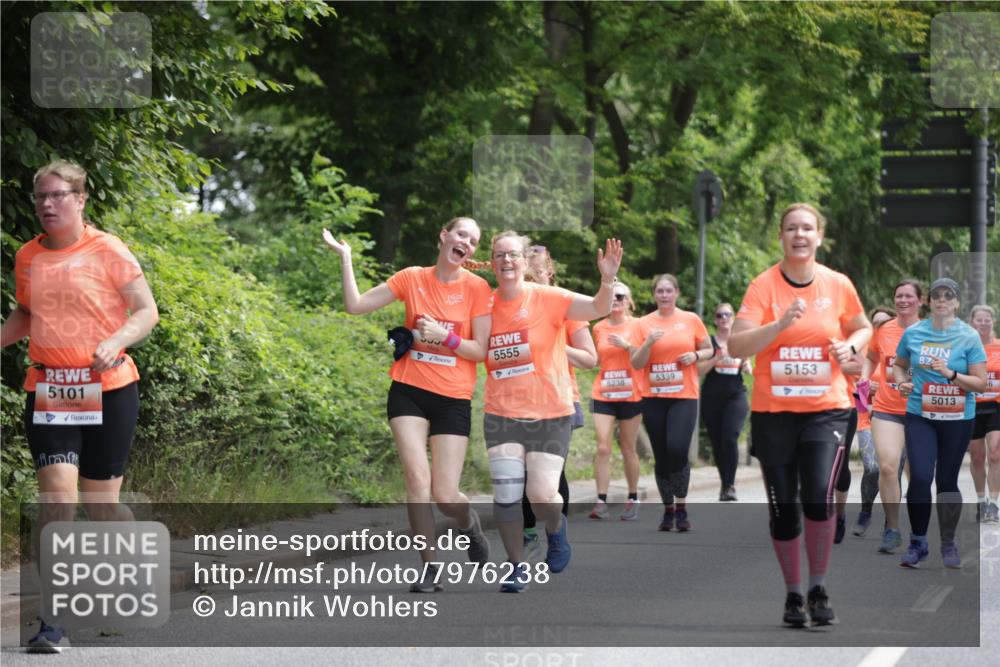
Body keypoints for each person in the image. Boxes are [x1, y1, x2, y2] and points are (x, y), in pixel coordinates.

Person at [1, 160, 159, 653]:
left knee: (102, 506)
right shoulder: (28, 257)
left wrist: (117, 339)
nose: (48, 205)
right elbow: (26, 312)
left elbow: (146, 311)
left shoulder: (107, 249)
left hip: (109, 387)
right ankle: (54, 621)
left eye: (58, 196)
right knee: (57, 500)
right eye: (41, 198)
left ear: (80, 199)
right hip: (51, 387)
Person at [322, 217, 492, 593]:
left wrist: (445, 337)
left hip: (453, 398)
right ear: (443, 235)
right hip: (408, 389)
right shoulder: (412, 277)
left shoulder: (478, 288)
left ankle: (469, 524)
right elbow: (355, 305)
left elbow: (480, 351)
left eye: (475, 240)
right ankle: (430, 568)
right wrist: (346, 258)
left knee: (446, 496)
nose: (467, 241)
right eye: (462, 233)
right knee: (417, 480)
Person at [729, 203, 871, 628]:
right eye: (791, 228)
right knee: (784, 510)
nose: (799, 235)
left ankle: (819, 586)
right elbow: (737, 346)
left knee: (818, 496)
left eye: (807, 228)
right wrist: (779, 325)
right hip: (774, 413)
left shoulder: (838, 284)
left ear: (819, 236)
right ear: (781, 237)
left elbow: (861, 326)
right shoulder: (763, 287)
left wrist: (852, 346)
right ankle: (793, 594)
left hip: (826, 411)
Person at [484, 232, 621, 592]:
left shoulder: (549, 297)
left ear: (525, 262)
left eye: (514, 255)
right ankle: (517, 567)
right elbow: (466, 342)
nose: (508, 261)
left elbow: (596, 308)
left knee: (542, 495)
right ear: (493, 262)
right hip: (501, 412)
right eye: (500, 255)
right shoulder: (482, 304)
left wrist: (607, 280)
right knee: (507, 493)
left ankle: (556, 528)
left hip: (550, 411)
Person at [893, 277, 987, 568]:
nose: (942, 300)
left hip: (958, 418)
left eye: (949, 296)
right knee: (920, 476)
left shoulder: (969, 336)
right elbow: (899, 365)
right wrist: (901, 383)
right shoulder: (914, 333)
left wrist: (950, 374)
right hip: (920, 414)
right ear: (929, 302)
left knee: (946, 481)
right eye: (937, 295)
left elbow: (981, 384)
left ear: (958, 303)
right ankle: (918, 542)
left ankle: (948, 543)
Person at [520, 246, 596, 555]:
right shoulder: (517, 305)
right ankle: (527, 533)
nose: (532, 280)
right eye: (527, 275)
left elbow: (590, 358)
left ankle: (556, 532)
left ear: (549, 272)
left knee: (552, 473)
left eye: (537, 273)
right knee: (524, 471)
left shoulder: (567, 306)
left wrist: (555, 347)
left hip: (559, 399)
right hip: (519, 399)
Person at [630, 274, 714, 531]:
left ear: (676, 292)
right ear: (655, 294)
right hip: (654, 397)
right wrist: (648, 343)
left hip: (683, 396)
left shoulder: (690, 319)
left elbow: (710, 349)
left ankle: (682, 506)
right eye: (660, 291)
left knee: (677, 449)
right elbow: (636, 363)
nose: (664, 295)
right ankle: (668, 511)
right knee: (662, 454)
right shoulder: (643, 324)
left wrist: (696, 355)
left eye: (669, 290)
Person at [862, 280, 922, 553]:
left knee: (921, 476)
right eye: (899, 296)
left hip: (922, 411)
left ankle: (918, 530)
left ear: (921, 301)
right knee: (887, 467)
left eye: (909, 296)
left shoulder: (933, 331)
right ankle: (893, 528)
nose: (903, 300)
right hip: (887, 409)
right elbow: (872, 357)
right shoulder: (884, 330)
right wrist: (863, 380)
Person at [590, 282, 643, 520]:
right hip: (604, 393)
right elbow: (596, 359)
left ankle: (632, 497)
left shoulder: (639, 325)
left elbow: (645, 358)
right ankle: (601, 501)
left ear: (629, 301)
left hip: (631, 393)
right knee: (603, 447)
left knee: (628, 448)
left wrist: (628, 346)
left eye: (620, 296)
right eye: (612, 296)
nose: (616, 300)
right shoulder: (599, 328)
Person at [851, 307, 898, 537]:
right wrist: (865, 392)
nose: (879, 326)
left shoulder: (900, 349)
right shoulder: (862, 351)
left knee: (893, 471)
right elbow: (855, 391)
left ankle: (890, 525)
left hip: (895, 418)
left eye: (884, 322)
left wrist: (883, 389)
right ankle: (865, 511)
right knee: (872, 467)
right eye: (875, 323)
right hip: (866, 419)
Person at [697, 302, 751, 502]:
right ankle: (724, 483)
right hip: (712, 397)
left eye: (728, 314)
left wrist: (746, 365)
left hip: (736, 396)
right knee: (718, 442)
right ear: (715, 319)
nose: (724, 318)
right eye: (720, 315)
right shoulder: (709, 342)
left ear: (733, 318)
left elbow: (747, 364)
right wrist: (717, 357)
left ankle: (730, 485)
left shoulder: (739, 341)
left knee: (730, 436)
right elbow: (698, 371)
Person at [968, 304, 1000, 524]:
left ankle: (995, 504)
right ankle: (981, 501)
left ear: (993, 322)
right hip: (972, 406)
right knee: (977, 457)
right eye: (979, 320)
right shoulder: (966, 347)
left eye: (987, 319)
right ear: (972, 323)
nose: (984, 323)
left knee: (995, 454)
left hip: (996, 406)